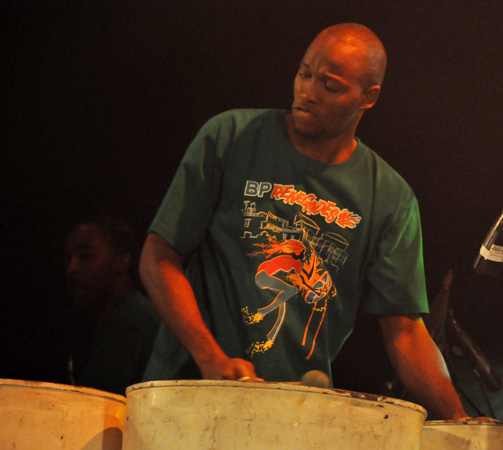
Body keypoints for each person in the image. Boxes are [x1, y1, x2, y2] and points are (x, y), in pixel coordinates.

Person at [140, 23, 470, 420]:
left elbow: (404, 330)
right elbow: (159, 254)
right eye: (304, 73)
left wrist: (460, 420)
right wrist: (210, 357)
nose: (307, 93)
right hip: (186, 394)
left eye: (330, 86)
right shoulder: (231, 135)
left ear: (369, 97)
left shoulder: (390, 197)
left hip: (292, 414)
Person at [65, 215, 160, 395]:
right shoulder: (117, 316)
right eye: (68, 257)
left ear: (122, 261)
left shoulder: (129, 323)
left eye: (86, 256)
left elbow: (94, 407)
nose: (72, 268)